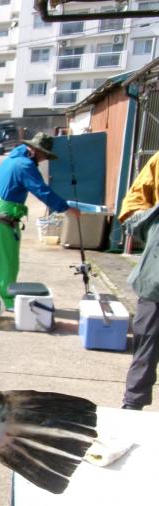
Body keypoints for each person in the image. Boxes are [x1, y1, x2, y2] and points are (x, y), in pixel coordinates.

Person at [0, 132, 81, 309]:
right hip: (3, 217)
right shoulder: (25, 165)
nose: (44, 159)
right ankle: (6, 299)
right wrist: (65, 208)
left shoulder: (11, 159)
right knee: (7, 262)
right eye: (43, 154)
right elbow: (41, 190)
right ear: (34, 149)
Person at [119, 150, 159, 411]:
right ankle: (132, 406)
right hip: (155, 281)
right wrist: (153, 220)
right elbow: (131, 211)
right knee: (146, 341)